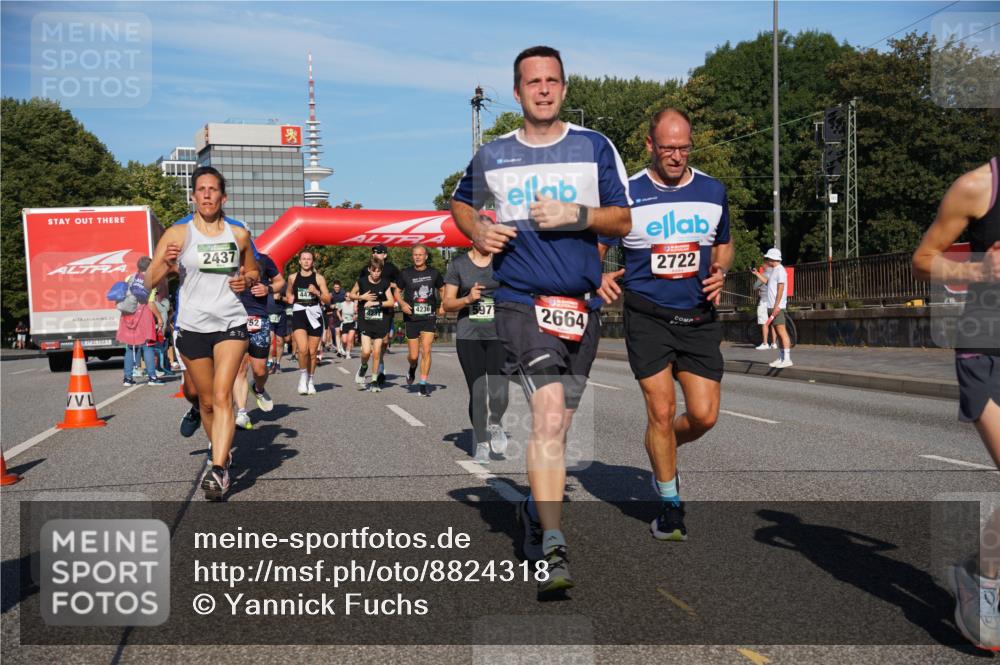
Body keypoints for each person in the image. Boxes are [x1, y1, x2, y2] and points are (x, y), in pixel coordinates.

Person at [450, 45, 631, 595]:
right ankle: (554, 544)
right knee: (548, 415)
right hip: (520, 303)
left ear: (565, 89)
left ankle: (533, 505)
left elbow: (623, 218)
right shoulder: (494, 154)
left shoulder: (594, 146)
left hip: (580, 308)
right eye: (534, 82)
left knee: (560, 423)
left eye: (553, 81)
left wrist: (579, 215)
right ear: (518, 91)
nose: (545, 90)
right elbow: (460, 204)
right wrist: (476, 231)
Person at [598, 107, 732, 543]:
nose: (676, 156)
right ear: (651, 145)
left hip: (698, 317)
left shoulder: (712, 190)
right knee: (660, 410)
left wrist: (721, 271)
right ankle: (670, 505)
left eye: (684, 147)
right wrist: (595, 277)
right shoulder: (627, 194)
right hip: (647, 315)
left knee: (704, 415)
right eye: (668, 148)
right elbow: (594, 248)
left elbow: (724, 244)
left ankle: (662, 444)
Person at [912, 156, 1000, 651]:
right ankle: (982, 590)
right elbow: (925, 258)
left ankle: (974, 569)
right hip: (986, 351)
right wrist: (977, 266)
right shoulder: (976, 187)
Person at [146, 165, 258, 501]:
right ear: (193, 196)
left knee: (223, 396)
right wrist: (165, 266)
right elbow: (148, 279)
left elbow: (253, 268)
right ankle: (219, 448)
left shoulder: (238, 234)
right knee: (206, 401)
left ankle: (219, 467)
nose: (207, 194)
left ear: (223, 196)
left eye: (213, 189)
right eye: (201, 189)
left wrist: (248, 280)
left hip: (231, 322)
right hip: (193, 324)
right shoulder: (177, 235)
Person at [443, 246, 509, 463]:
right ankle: (481, 443)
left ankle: (496, 423)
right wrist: (468, 299)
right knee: (478, 391)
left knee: (500, 390)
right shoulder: (458, 265)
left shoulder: (503, 261)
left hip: (499, 333)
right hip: (469, 335)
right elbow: (447, 303)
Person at [233, 250, 284, 430]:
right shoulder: (228, 256)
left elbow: (280, 282)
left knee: (260, 370)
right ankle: (241, 412)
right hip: (233, 318)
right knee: (240, 368)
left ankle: (258, 388)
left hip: (258, 318)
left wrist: (268, 289)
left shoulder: (263, 259)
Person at [397, 245, 445, 396]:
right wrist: (402, 303)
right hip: (411, 317)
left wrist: (443, 305)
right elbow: (397, 291)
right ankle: (412, 368)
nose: (417, 257)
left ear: (426, 257)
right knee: (413, 356)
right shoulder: (405, 273)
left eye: (420, 254)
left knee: (427, 349)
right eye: (415, 255)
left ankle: (423, 383)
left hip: (429, 316)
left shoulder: (434, 273)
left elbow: (443, 289)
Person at [286, 250, 331, 395]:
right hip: (299, 313)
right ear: (299, 261)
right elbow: (288, 292)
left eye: (309, 259)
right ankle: (303, 376)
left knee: (312, 353)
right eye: (303, 259)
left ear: (312, 262)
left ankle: (311, 380)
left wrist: (317, 292)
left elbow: (327, 299)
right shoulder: (292, 277)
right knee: (303, 349)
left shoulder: (319, 278)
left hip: (314, 314)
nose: (306, 261)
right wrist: (289, 298)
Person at [115, 256, 165, 386]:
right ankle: (152, 378)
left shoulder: (129, 278)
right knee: (147, 347)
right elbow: (150, 303)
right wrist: (159, 317)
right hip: (143, 315)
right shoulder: (149, 282)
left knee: (130, 348)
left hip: (128, 315)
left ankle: (127, 378)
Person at [350, 256, 396, 392]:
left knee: (376, 352)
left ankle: (374, 380)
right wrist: (361, 297)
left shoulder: (385, 283)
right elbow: (351, 294)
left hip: (381, 322)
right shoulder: (362, 282)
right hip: (365, 322)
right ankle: (363, 366)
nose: (376, 274)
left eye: (379, 271)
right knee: (366, 352)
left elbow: (391, 302)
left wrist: (376, 303)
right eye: (374, 271)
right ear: (369, 270)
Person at [357, 245, 400, 380]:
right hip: (368, 310)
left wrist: (388, 284)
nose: (376, 254)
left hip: (385, 309)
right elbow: (359, 286)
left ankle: (379, 361)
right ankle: (378, 367)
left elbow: (400, 284)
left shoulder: (391, 268)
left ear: (385, 255)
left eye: (379, 252)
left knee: (385, 340)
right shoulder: (366, 268)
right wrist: (358, 300)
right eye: (374, 252)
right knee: (370, 346)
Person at [763, 248, 792, 368]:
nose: (767, 260)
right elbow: (769, 284)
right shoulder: (774, 270)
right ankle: (782, 357)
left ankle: (787, 358)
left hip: (777, 307)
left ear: (773, 258)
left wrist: (777, 306)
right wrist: (756, 274)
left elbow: (781, 289)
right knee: (779, 333)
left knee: (782, 331)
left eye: (768, 258)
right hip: (772, 306)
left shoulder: (780, 270)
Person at [751, 264, 777, 350]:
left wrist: (759, 287)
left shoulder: (764, 275)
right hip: (773, 301)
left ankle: (765, 343)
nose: (762, 265)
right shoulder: (776, 274)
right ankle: (774, 343)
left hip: (764, 300)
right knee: (773, 322)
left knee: (764, 322)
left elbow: (755, 286)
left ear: (766, 265)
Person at [267, 289, 289, 374]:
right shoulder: (265, 283)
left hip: (281, 315)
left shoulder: (284, 285)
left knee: (280, 341)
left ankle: (278, 364)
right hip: (268, 314)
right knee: (270, 340)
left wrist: (281, 298)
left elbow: (290, 299)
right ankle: (270, 362)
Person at [328, 280, 346, 356]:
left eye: (338, 287)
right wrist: (331, 306)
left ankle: (342, 347)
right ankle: (339, 349)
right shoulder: (331, 294)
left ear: (340, 287)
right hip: (335, 314)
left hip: (344, 314)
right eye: (335, 287)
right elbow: (328, 304)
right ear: (333, 287)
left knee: (343, 333)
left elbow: (348, 301)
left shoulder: (344, 293)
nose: (336, 289)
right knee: (337, 332)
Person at [337, 292, 358, 359]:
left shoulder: (354, 304)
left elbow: (357, 313)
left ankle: (348, 353)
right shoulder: (342, 304)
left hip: (352, 323)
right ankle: (342, 346)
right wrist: (340, 317)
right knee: (344, 340)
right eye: (346, 296)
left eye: (349, 296)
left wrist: (356, 316)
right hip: (344, 323)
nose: (348, 297)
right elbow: (337, 311)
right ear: (344, 297)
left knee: (350, 339)